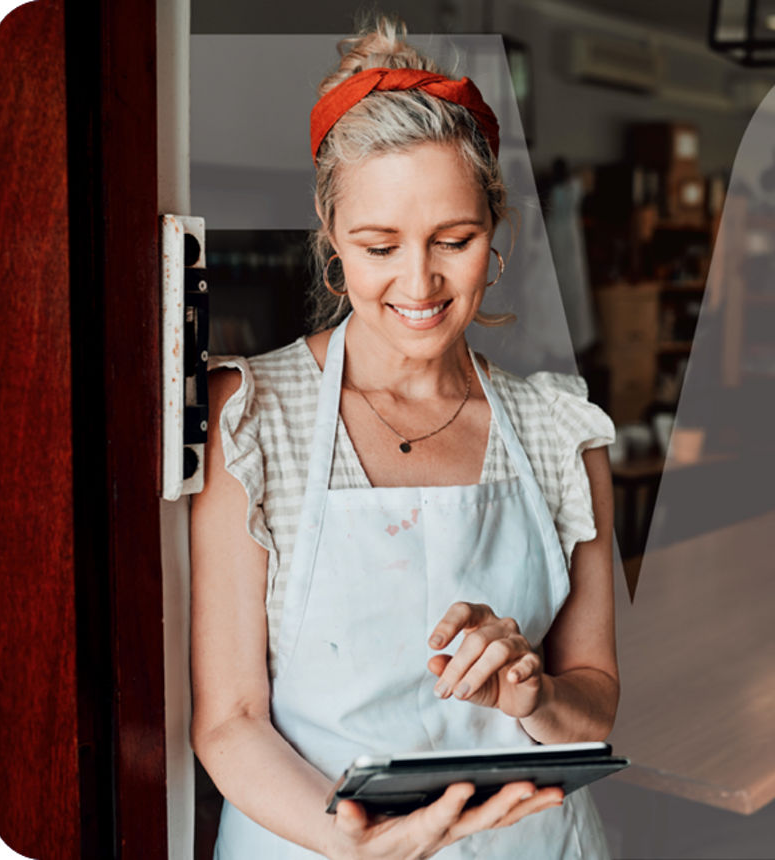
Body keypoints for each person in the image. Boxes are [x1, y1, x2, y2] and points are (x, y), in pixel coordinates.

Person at [190, 16, 618, 859]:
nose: (418, 283)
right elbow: (230, 721)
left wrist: (533, 694)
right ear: (330, 239)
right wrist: (356, 842)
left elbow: (595, 700)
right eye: (378, 245)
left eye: (453, 241)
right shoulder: (251, 416)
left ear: (495, 232)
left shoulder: (559, 429)